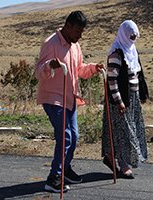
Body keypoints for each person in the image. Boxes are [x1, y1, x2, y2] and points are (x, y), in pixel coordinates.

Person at [35, 11, 104, 193]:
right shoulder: (51, 43)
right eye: (78, 31)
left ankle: (64, 169)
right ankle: (53, 178)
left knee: (74, 138)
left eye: (82, 32)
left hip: (70, 97)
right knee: (65, 136)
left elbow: (79, 69)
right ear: (68, 26)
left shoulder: (75, 46)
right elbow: (39, 71)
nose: (80, 35)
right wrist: (50, 65)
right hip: (53, 97)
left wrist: (93, 68)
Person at [101, 20, 149, 179]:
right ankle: (123, 165)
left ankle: (111, 157)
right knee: (124, 133)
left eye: (135, 36)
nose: (133, 39)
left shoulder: (132, 51)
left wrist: (142, 94)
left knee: (128, 130)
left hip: (132, 98)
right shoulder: (116, 53)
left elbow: (138, 75)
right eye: (131, 36)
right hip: (121, 101)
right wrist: (119, 101)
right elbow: (112, 80)